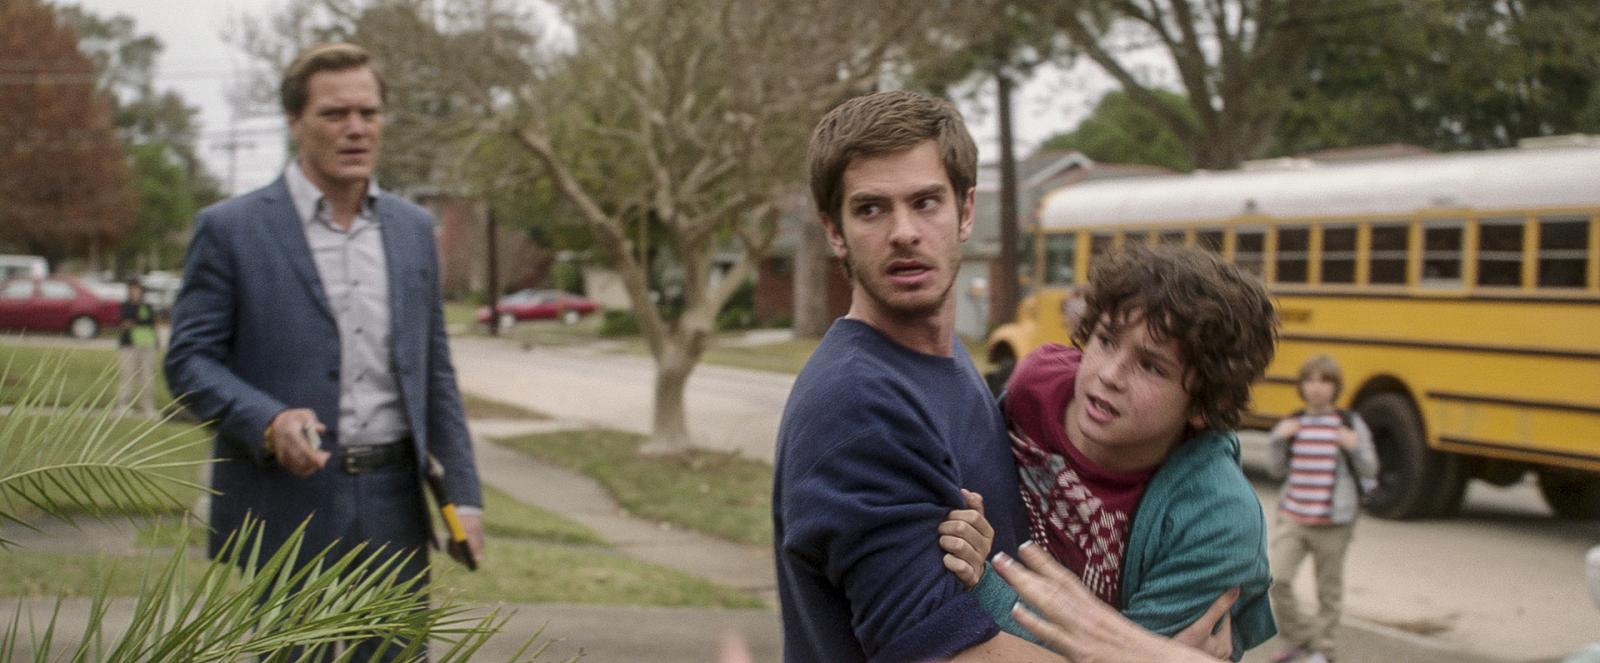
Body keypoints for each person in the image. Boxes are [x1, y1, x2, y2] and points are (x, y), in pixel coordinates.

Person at [772, 90, 1230, 663]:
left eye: (926, 202)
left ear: (965, 212)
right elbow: (947, 653)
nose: (904, 231)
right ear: (834, 231)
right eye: (871, 209)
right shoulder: (860, 405)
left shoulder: (943, 363)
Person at [163, 42, 483, 660]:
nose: (356, 128)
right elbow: (188, 362)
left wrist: (464, 496)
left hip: (394, 504)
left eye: (369, 112)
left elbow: (434, 373)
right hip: (287, 503)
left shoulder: (413, 229)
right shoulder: (231, 229)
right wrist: (267, 420)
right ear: (294, 121)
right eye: (335, 114)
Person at [938, 244, 1281, 661]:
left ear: (1204, 404)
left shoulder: (1216, 522)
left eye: (1151, 366)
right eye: (1105, 340)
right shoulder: (1036, 390)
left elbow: (1112, 656)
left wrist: (982, 584)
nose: (1109, 374)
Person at [1265, 354, 1378, 663]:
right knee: (1277, 580)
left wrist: (1354, 446)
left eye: (1324, 381)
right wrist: (1278, 439)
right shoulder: (1294, 423)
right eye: (1310, 380)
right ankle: (1302, 640)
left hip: (1333, 521)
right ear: (1301, 386)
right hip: (1293, 517)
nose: (1316, 388)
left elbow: (1370, 469)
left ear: (1335, 387)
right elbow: (1276, 471)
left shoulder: (1348, 424)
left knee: (1328, 591)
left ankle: (1323, 650)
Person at [116, 278, 159, 417]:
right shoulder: (126, 306)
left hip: (147, 344)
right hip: (129, 345)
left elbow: (150, 323)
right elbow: (125, 322)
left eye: (138, 289)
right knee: (127, 375)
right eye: (133, 289)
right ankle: (123, 405)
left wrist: (135, 322)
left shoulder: (147, 306)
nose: (135, 292)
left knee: (147, 376)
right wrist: (136, 321)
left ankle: (147, 406)